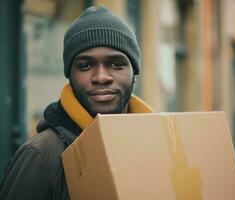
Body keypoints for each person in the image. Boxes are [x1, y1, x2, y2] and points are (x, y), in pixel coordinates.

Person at [0, 6, 153, 200]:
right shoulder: (41, 156)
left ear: (134, 75)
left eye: (116, 64)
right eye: (85, 65)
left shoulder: (154, 144)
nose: (101, 77)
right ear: (70, 76)